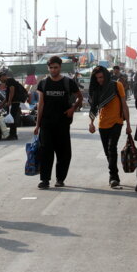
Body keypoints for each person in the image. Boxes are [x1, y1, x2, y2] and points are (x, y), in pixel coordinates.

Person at [34, 56, 83, 189]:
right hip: (46, 124)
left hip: (62, 123)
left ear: (60, 67)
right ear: (48, 68)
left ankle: (60, 179)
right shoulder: (43, 83)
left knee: (64, 153)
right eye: (51, 67)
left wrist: (73, 108)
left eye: (56, 67)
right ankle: (45, 180)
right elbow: (41, 104)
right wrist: (37, 125)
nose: (53, 70)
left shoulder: (68, 82)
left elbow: (80, 97)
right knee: (46, 152)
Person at [87, 66, 132, 187]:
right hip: (102, 124)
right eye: (97, 78)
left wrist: (128, 124)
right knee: (108, 152)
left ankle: (113, 177)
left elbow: (124, 105)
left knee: (112, 148)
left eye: (101, 77)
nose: (99, 80)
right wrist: (91, 123)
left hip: (117, 122)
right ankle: (114, 174)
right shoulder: (97, 90)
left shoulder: (117, 86)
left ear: (106, 76)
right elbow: (94, 107)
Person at [0, 70, 26, 141]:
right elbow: (8, 95)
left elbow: (12, 90)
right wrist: (2, 104)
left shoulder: (9, 80)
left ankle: (13, 135)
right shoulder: (9, 81)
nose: (0, 81)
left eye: (0, 79)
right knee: (11, 118)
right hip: (13, 102)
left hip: (14, 102)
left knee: (12, 118)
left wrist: (10, 101)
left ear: (2, 77)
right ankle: (13, 135)